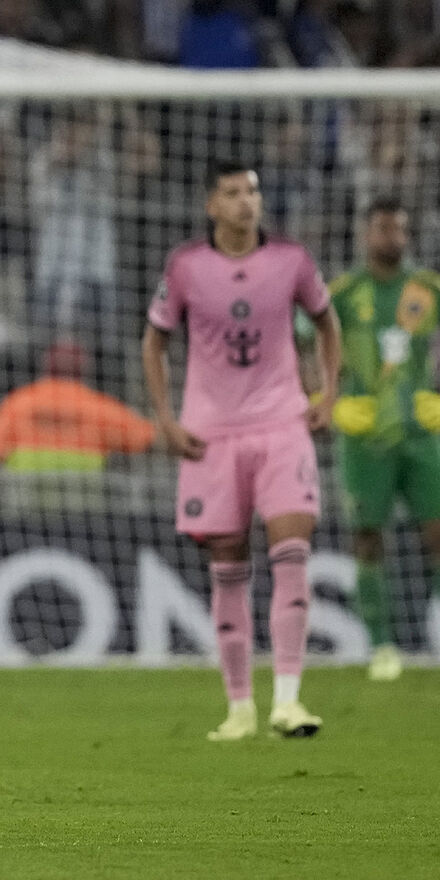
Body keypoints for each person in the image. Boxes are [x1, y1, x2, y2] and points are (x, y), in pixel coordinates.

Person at [141, 158, 342, 742]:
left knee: (292, 553)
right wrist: (166, 419)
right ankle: (239, 708)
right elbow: (153, 346)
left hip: (282, 426)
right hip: (211, 435)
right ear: (212, 205)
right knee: (228, 569)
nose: (245, 202)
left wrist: (327, 394)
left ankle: (288, 701)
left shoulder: (292, 260)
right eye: (231, 193)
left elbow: (328, 326)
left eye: (251, 191)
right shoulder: (185, 267)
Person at [326, 195, 440, 681]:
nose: (391, 237)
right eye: (383, 229)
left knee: (437, 534)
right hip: (364, 436)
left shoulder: (427, 288)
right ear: (365, 234)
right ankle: (380, 647)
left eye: (399, 229)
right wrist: (326, 399)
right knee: (367, 538)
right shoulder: (344, 293)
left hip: (420, 432)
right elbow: (303, 342)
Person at [0, 340, 156, 472]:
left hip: (24, 511)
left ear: (46, 365)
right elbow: (146, 438)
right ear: (84, 368)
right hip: (86, 510)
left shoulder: (19, 402)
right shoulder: (98, 407)